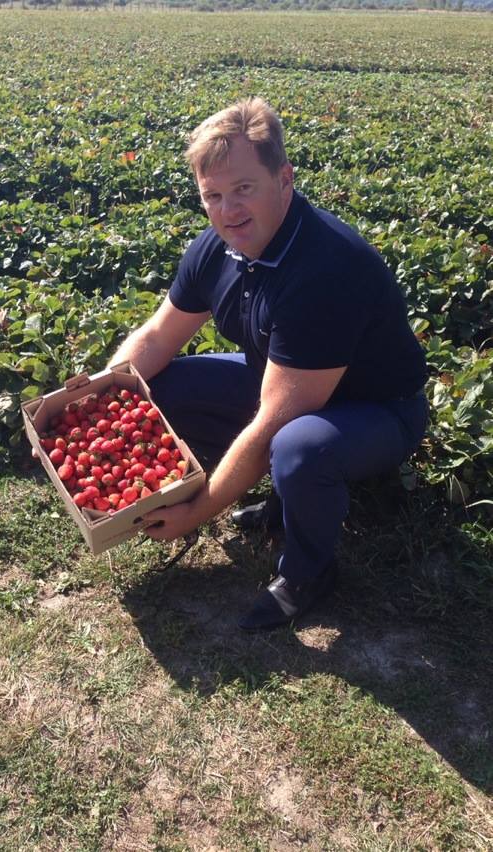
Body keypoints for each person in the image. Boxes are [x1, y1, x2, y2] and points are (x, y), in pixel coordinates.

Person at [109, 97, 428, 632]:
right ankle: (279, 500)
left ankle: (309, 571)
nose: (227, 210)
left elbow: (277, 419)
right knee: (157, 385)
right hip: (282, 381)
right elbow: (157, 338)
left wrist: (197, 512)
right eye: (212, 195)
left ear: (285, 179)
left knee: (298, 449)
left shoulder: (325, 270)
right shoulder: (218, 247)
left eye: (243, 189)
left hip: (376, 409)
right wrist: (95, 399)